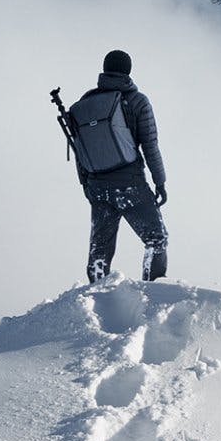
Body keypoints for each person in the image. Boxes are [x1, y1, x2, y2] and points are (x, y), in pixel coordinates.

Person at [76, 50, 168, 282]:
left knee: (100, 248)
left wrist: (85, 184)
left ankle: (95, 293)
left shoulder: (86, 102)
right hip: (129, 184)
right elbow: (150, 145)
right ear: (128, 70)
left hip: (97, 187)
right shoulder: (137, 101)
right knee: (156, 239)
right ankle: (153, 291)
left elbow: (80, 148)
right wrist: (160, 181)